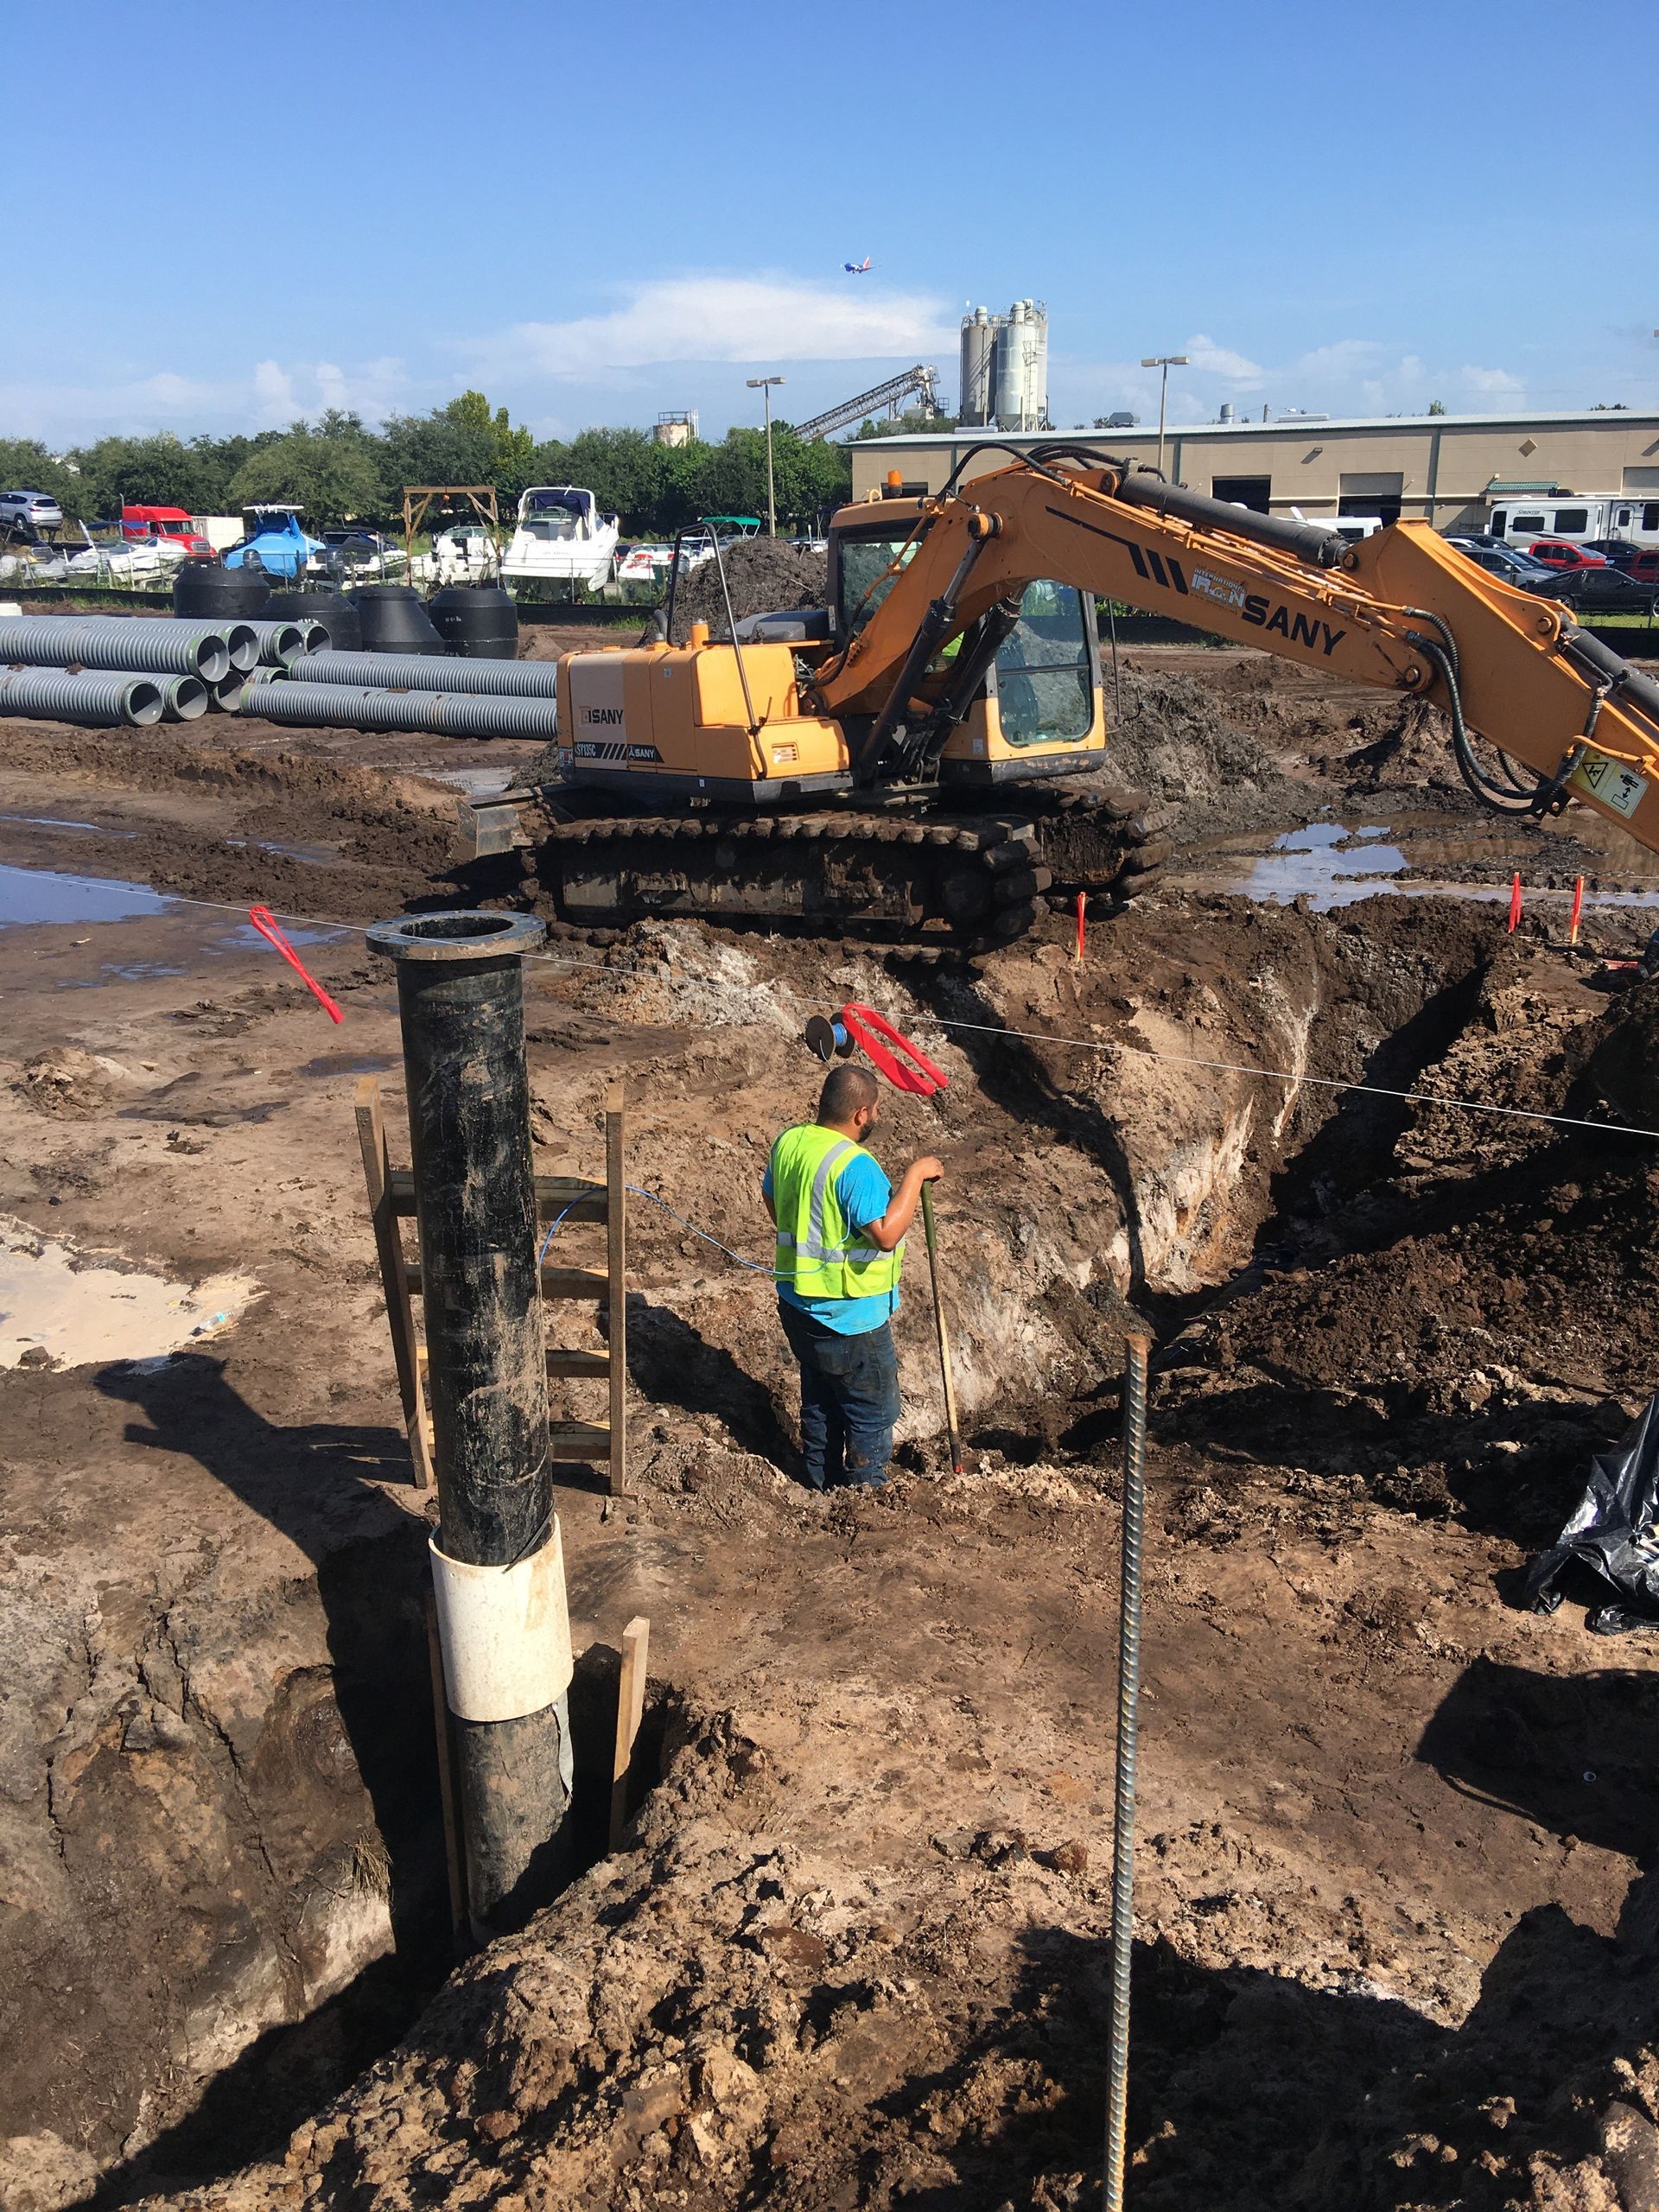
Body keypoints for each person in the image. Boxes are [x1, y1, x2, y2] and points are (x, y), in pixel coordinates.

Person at [762, 1065, 943, 1491]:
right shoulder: (855, 1165)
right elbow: (885, 1234)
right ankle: (866, 1495)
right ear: (861, 1114)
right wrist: (915, 1176)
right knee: (871, 1411)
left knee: (821, 1402)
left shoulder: (790, 1142)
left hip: (797, 1303)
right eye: (875, 1110)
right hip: (850, 1316)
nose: (875, 1118)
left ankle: (819, 1486)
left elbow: (772, 1199)